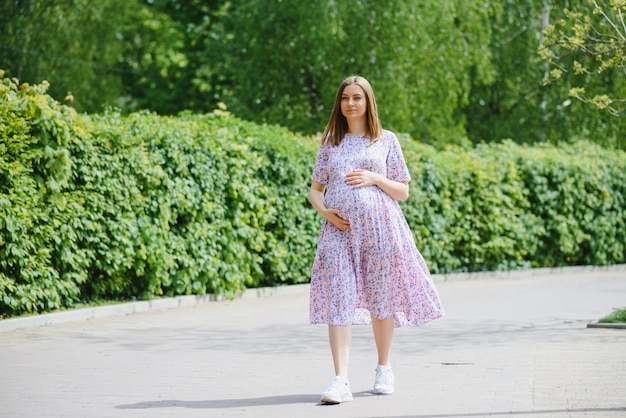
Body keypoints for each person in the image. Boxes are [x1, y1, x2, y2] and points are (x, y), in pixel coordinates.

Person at [308, 75, 444, 404]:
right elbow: (315, 190)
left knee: (381, 299)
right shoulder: (330, 141)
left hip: (381, 231)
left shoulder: (385, 140)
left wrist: (375, 177)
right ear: (338, 104)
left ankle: (384, 367)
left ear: (368, 102)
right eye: (345, 98)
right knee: (339, 298)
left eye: (357, 97)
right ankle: (340, 380)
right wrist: (327, 213)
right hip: (339, 232)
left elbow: (403, 190)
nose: (350, 103)